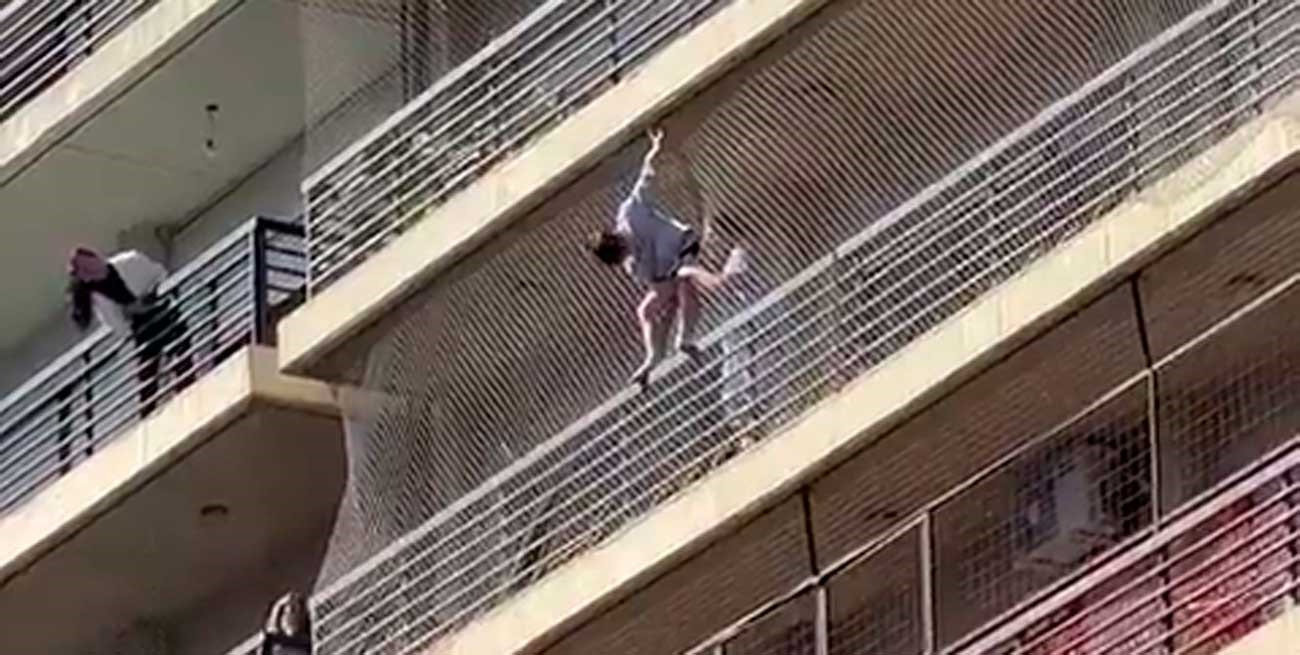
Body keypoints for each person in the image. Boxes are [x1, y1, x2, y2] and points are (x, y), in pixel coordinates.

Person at [588, 128, 743, 388]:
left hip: (683, 244)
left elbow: (645, 177)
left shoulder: (630, 213)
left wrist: (656, 148)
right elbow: (661, 288)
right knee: (645, 309)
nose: (630, 252)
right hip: (668, 272)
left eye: (625, 247)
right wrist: (663, 301)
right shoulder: (633, 265)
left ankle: (710, 296)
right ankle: (654, 355)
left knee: (686, 276)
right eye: (624, 255)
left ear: (617, 235)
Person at [67, 247, 192, 417]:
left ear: (97, 257)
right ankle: (149, 416)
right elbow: (117, 325)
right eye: (85, 272)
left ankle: (187, 392)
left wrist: (150, 298)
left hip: (162, 309)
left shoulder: (129, 261)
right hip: (141, 328)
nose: (90, 272)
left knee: (182, 355)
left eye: (89, 266)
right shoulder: (98, 298)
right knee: (147, 376)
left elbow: (160, 274)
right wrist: (130, 313)